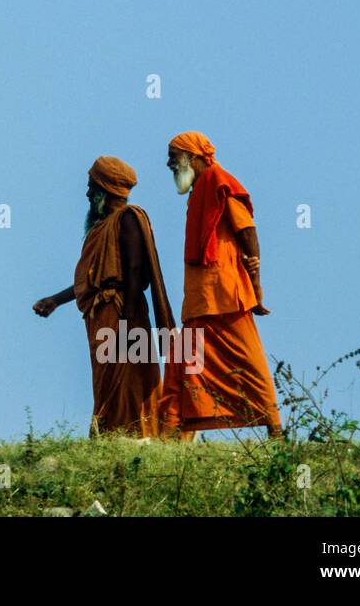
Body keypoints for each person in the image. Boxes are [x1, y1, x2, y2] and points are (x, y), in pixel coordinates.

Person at [32, 157, 176, 438]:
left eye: (90, 187)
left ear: (104, 189)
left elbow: (134, 270)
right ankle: (111, 434)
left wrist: (129, 322)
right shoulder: (100, 229)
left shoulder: (129, 218)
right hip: (102, 316)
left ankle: (141, 435)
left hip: (124, 312)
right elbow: (91, 279)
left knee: (131, 376)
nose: (87, 194)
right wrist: (55, 300)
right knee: (107, 380)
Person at [160, 131, 282, 438]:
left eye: (174, 157)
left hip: (228, 295)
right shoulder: (200, 189)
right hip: (201, 299)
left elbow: (247, 230)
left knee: (250, 365)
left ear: (192, 157)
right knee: (183, 361)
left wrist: (255, 280)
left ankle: (275, 427)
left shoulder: (220, 182)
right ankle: (175, 433)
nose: (169, 164)